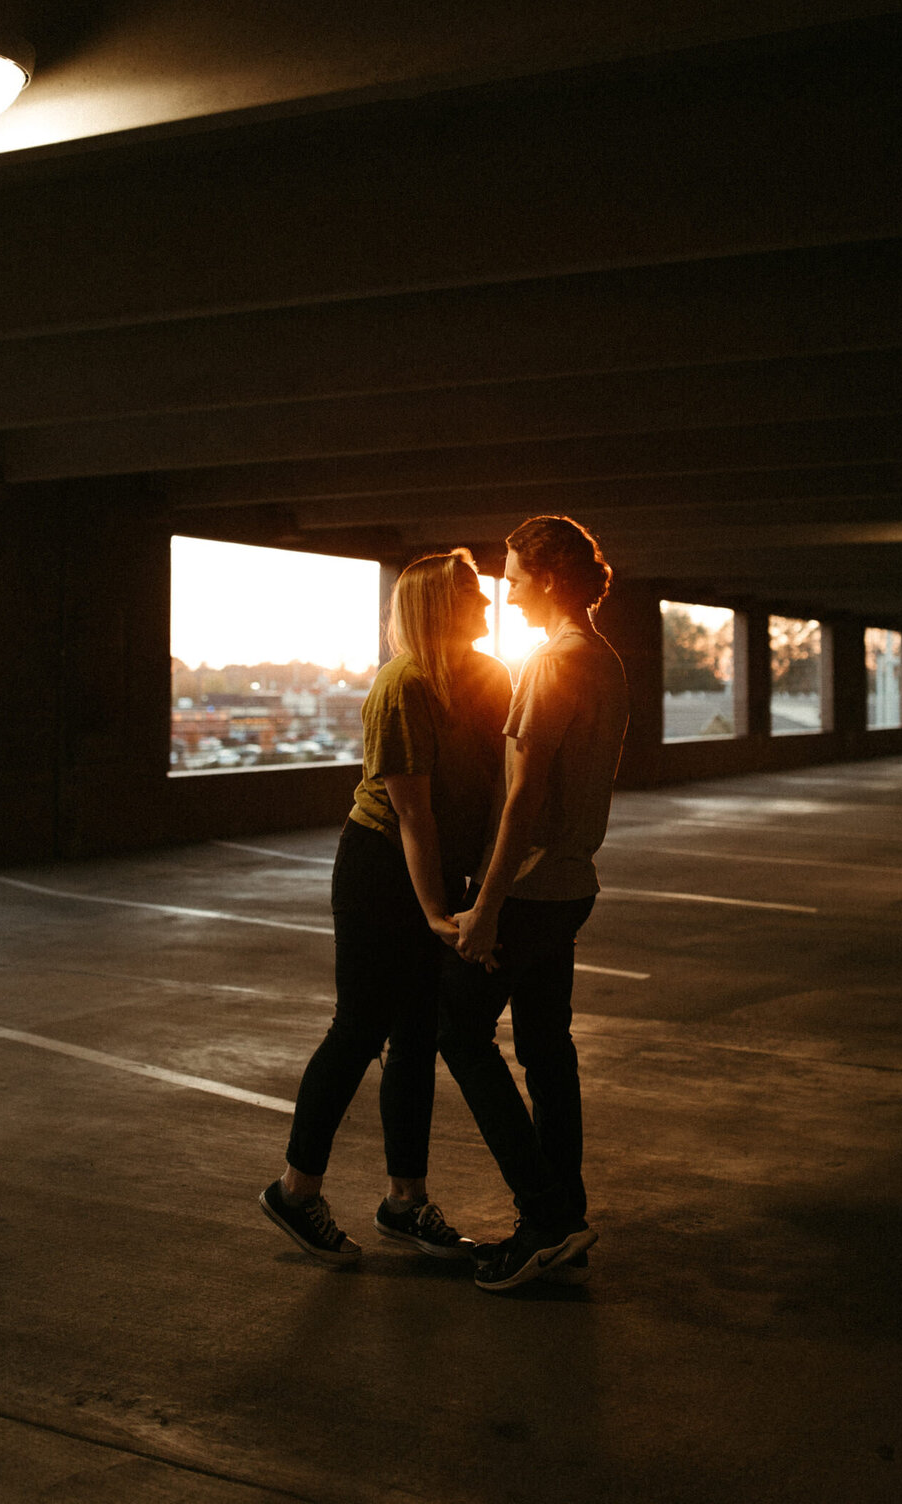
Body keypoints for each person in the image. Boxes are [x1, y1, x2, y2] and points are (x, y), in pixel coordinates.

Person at [260, 550, 511, 1265]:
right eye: (471, 592)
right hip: (379, 868)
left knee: (417, 1038)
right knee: (359, 1028)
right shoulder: (401, 685)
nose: (486, 603)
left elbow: (496, 791)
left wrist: (481, 887)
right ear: (438, 605)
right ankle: (296, 1190)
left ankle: (405, 1202)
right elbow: (413, 815)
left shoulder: (490, 676)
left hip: (441, 871)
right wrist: (436, 910)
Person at [438, 515, 630, 1292]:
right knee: (548, 1049)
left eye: (513, 576)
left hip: (526, 889)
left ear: (547, 578)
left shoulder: (554, 664)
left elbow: (521, 799)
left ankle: (544, 1212)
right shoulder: (605, 659)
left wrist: (485, 904)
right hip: (572, 885)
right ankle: (561, 1219)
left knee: (459, 1029)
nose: (505, 590)